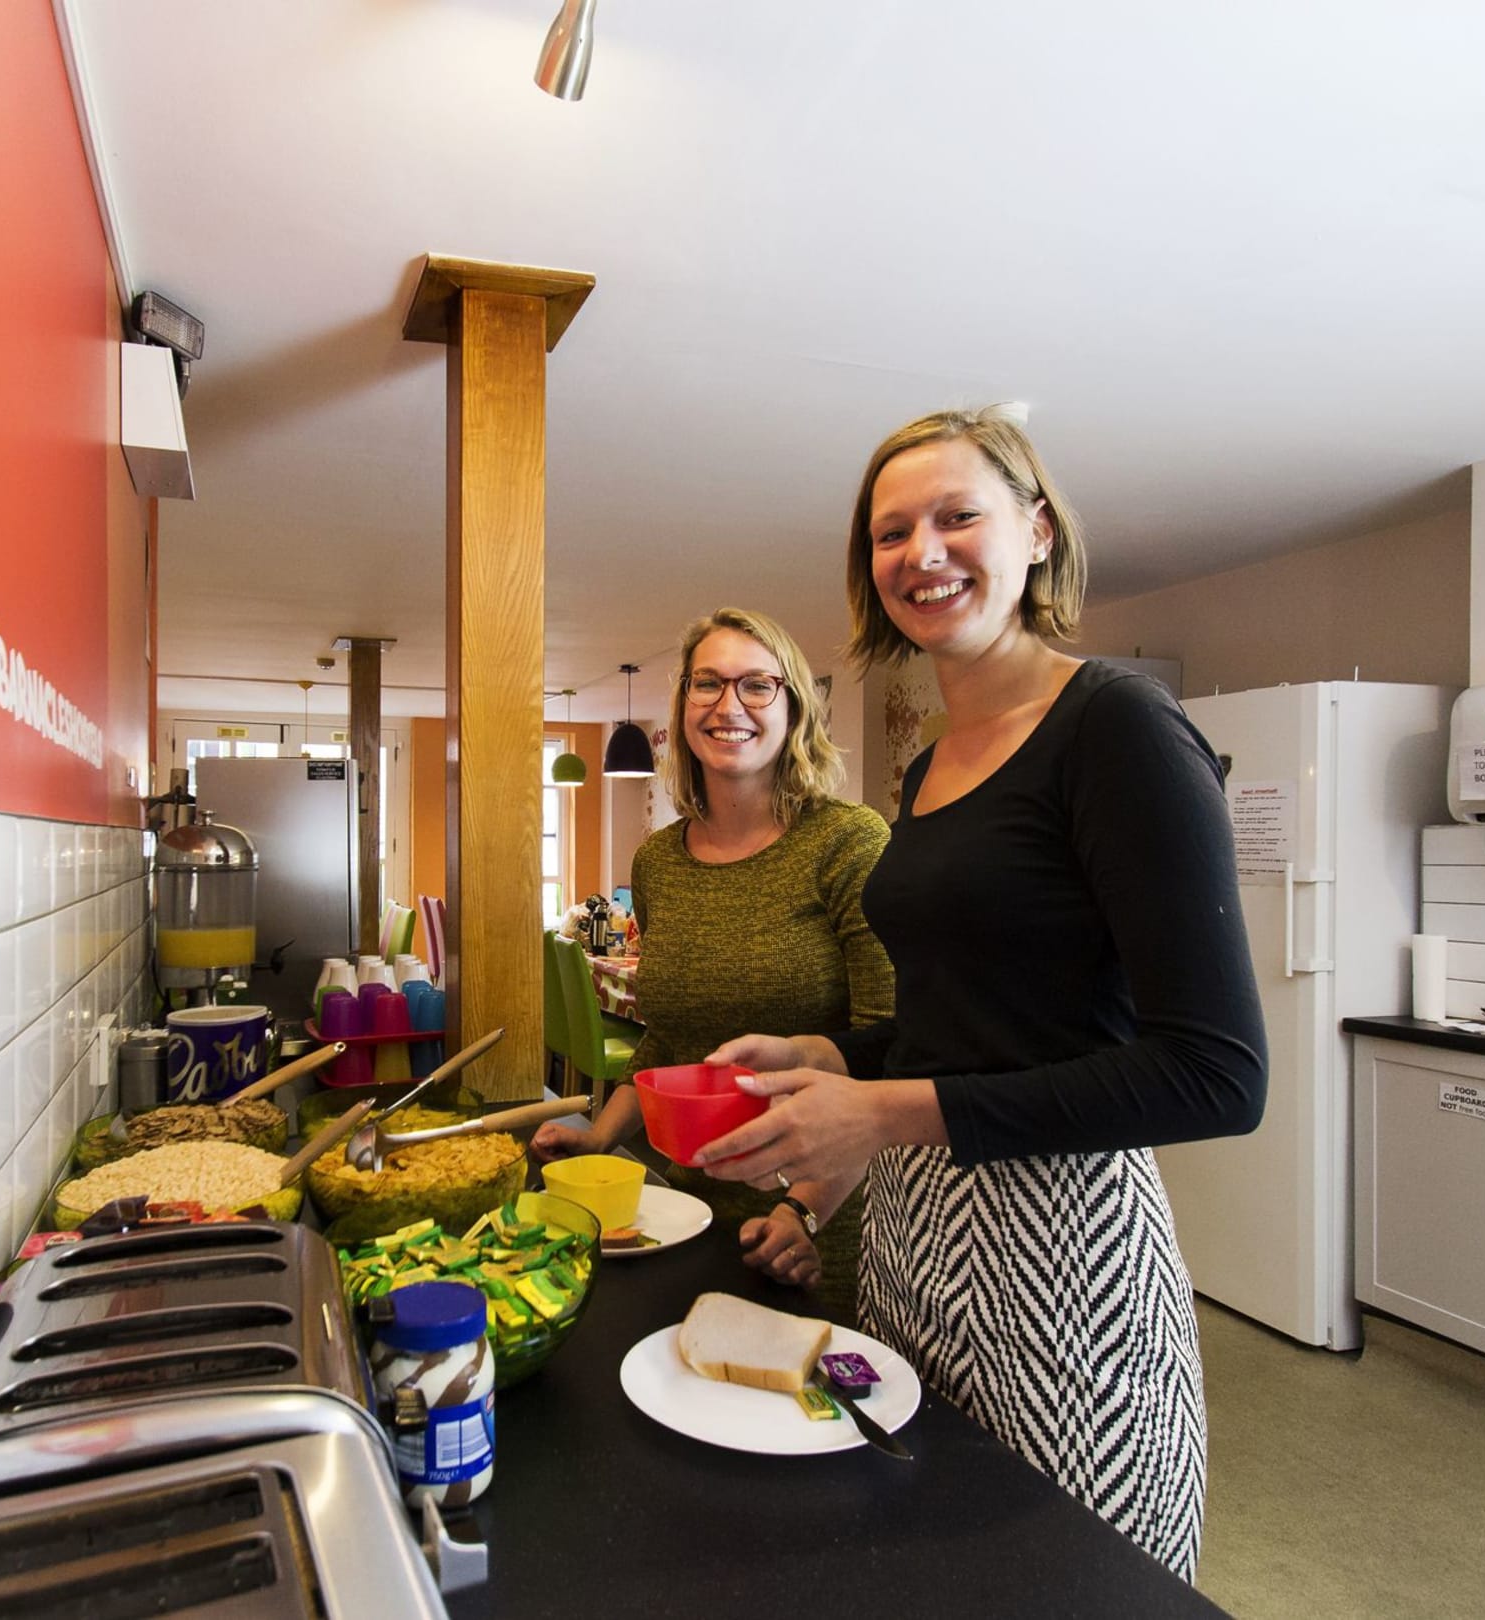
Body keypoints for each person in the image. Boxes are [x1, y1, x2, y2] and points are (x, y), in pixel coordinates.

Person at [695, 407, 1265, 1581]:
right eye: (889, 532)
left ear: (1037, 533)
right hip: (913, 1232)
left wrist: (883, 1111)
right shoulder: (929, 767)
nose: (921, 553)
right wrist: (833, 1057)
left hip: (1063, 1242)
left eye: (957, 516)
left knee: (1064, 1576)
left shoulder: (1115, 727)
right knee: (919, 1558)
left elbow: (1216, 1074)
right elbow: (970, 1020)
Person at [533, 606, 893, 1314]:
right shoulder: (659, 861)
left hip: (819, 1212)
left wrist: (804, 1209)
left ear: (794, 709)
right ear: (683, 706)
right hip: (686, 1206)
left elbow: (890, 1050)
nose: (729, 706)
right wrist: (601, 1139)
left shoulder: (848, 843)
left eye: (757, 685)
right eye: (708, 683)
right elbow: (667, 1037)